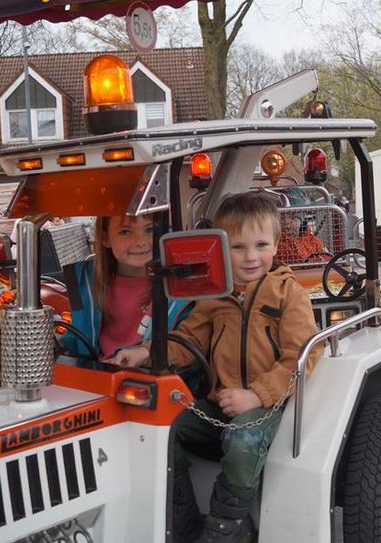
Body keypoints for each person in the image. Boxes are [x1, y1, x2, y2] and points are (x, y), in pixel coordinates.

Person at [112, 193, 322, 542]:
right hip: (220, 403)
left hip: (269, 404)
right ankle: (182, 514)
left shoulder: (288, 293)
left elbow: (301, 356)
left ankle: (228, 527)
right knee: (168, 423)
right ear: (221, 249)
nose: (251, 257)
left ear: (276, 246)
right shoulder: (215, 295)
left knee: (242, 440)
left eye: (260, 245)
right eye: (238, 247)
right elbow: (188, 342)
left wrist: (256, 395)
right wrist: (145, 353)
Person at [57, 214, 187, 363]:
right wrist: (58, 346)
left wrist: (146, 354)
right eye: (125, 232)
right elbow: (78, 339)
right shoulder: (87, 283)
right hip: (98, 377)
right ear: (105, 238)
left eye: (150, 229)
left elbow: (190, 341)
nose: (140, 242)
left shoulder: (180, 286)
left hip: (155, 379)